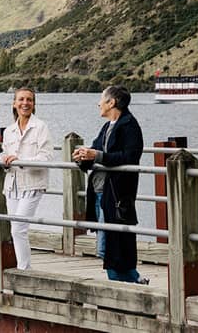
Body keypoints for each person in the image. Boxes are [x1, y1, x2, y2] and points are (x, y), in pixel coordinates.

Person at [72, 85, 148, 284]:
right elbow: (97, 152)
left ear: (111, 102)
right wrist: (82, 157)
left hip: (116, 193)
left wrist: (96, 155)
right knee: (107, 245)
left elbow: (130, 157)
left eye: (101, 99)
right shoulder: (107, 126)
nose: (98, 103)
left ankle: (129, 282)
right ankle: (131, 281)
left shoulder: (129, 125)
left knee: (113, 245)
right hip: (100, 191)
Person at [0, 86, 53, 270]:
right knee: (16, 229)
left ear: (34, 104)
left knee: (18, 228)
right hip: (12, 185)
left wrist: (20, 160)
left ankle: (24, 269)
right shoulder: (9, 131)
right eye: (21, 99)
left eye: (29, 99)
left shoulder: (40, 127)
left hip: (33, 183)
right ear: (14, 104)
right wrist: (4, 160)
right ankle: (24, 266)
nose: (25, 103)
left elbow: (45, 158)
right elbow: (5, 154)